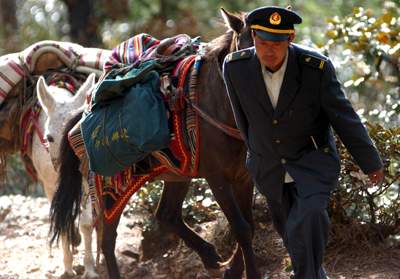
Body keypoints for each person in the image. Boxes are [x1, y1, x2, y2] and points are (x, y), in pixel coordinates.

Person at [222, 6, 384, 279]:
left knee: (309, 216)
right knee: (290, 232)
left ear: (291, 39)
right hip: (269, 166)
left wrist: (370, 162)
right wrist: (256, 153)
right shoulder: (235, 68)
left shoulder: (315, 68)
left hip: (312, 161)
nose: (268, 50)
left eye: (276, 43)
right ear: (253, 37)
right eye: (262, 43)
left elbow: (344, 117)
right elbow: (243, 119)